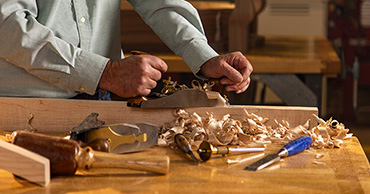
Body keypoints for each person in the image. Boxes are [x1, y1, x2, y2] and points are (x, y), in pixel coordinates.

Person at [0, 0, 253, 99]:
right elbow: (9, 27)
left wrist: (203, 55)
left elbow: (159, 3)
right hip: (28, 109)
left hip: (104, 99)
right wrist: (106, 72)